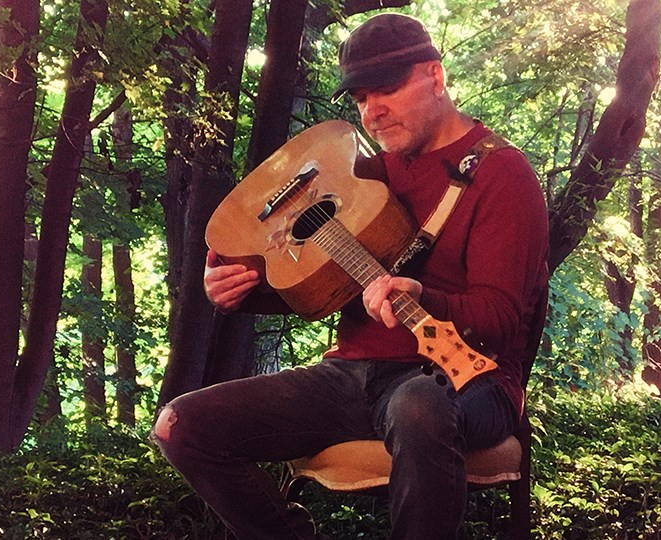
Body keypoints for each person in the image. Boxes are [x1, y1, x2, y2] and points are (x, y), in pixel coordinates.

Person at [152, 12, 549, 540]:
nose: (372, 112)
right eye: (360, 98)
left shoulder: (504, 174)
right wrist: (243, 292)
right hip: (352, 377)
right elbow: (327, 283)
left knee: (417, 404)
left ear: (436, 75)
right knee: (182, 427)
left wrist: (422, 293)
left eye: (386, 88)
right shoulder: (363, 171)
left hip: (467, 379)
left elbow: (500, 319)